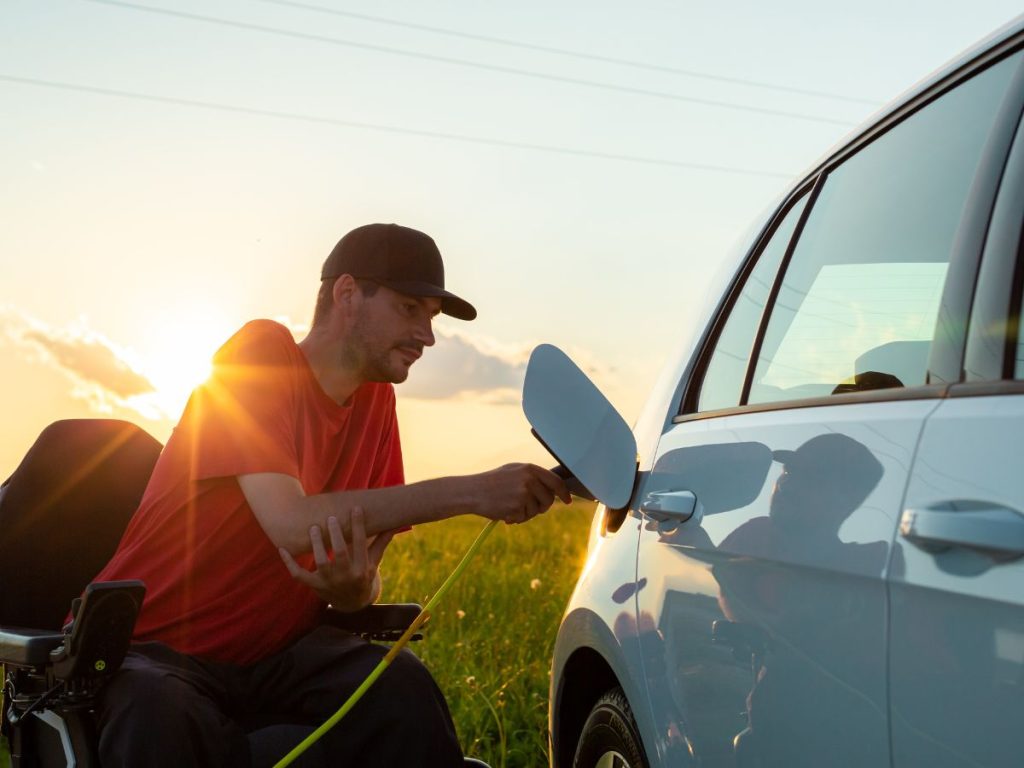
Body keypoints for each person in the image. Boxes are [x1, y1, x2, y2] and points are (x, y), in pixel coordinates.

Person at [89, 223, 571, 767]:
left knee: (400, 689)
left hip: (273, 658)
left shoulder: (377, 405)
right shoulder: (259, 355)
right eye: (410, 309)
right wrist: (474, 491)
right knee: (161, 713)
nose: (427, 336)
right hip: (156, 652)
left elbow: (360, 580)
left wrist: (353, 592)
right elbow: (292, 523)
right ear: (346, 294)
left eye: (430, 318)